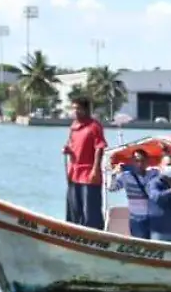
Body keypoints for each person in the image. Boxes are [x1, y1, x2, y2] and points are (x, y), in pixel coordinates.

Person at [63, 96, 107, 230]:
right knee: (74, 208)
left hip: (89, 174)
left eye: (79, 109)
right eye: (74, 108)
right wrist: (68, 150)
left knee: (90, 211)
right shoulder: (73, 127)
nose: (75, 111)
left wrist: (95, 169)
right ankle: (73, 233)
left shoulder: (94, 126)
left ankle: (95, 236)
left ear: (86, 110)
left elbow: (100, 148)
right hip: (74, 173)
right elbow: (73, 145)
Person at [112, 149, 156, 240]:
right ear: (132, 161)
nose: (139, 164)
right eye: (136, 160)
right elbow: (112, 188)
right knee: (141, 245)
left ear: (147, 161)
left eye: (142, 160)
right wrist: (114, 175)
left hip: (154, 218)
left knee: (155, 245)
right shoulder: (126, 176)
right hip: (137, 219)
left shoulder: (153, 174)